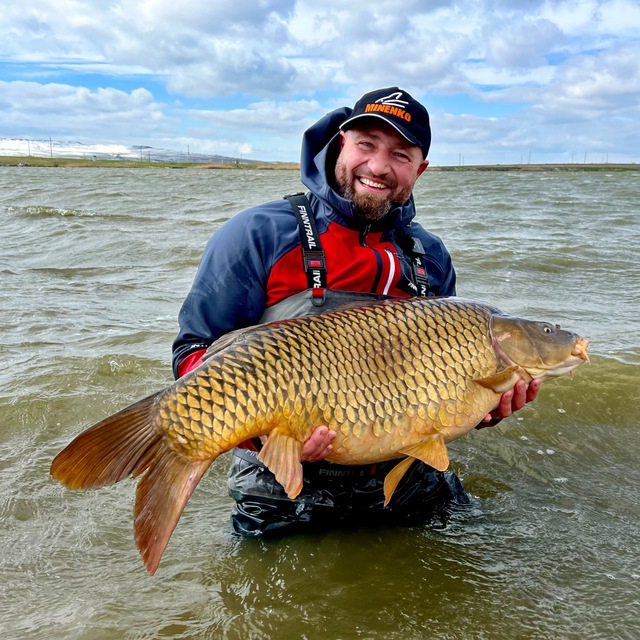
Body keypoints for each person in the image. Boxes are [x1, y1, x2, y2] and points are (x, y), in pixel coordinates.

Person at [172, 87, 540, 537]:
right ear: (340, 144)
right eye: (366, 144)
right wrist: (266, 435)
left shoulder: (430, 256)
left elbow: (446, 390)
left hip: (404, 476)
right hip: (282, 485)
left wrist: (488, 408)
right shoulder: (257, 233)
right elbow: (194, 352)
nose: (380, 166)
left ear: (419, 169)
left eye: (401, 154)